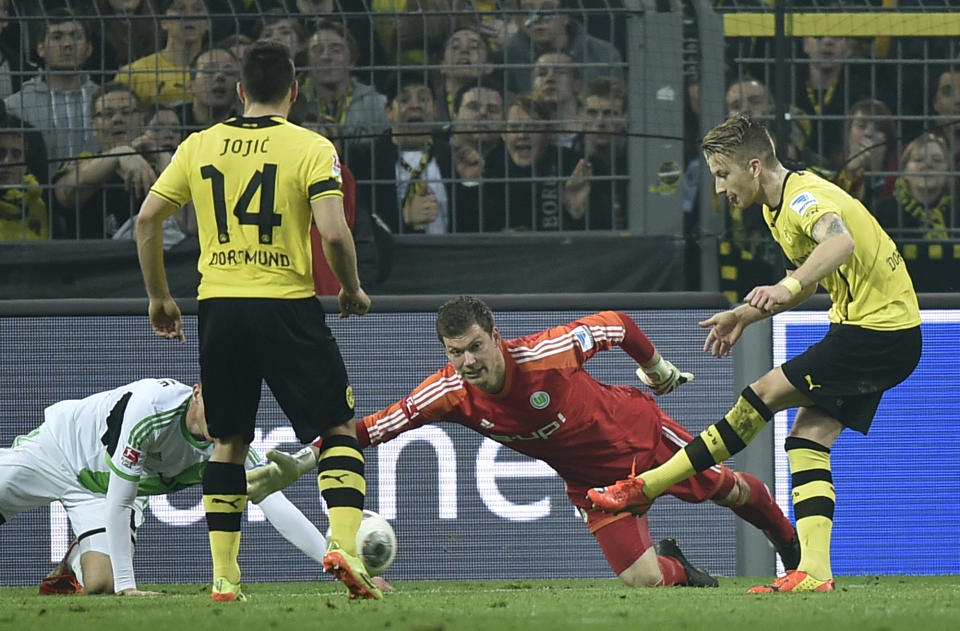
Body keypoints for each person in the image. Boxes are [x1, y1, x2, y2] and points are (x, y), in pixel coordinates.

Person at [248, 296, 801, 588]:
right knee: (644, 581)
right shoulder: (447, 393)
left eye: (476, 347)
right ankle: (686, 573)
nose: (468, 362)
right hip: (592, 486)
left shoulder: (548, 352)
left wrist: (655, 369)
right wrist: (298, 465)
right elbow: (368, 429)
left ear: (494, 336)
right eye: (455, 352)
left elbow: (616, 323)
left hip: (639, 437)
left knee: (726, 490)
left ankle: (791, 545)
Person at [589, 113, 922, 594]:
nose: (720, 188)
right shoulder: (775, 209)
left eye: (723, 174)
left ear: (754, 165)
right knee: (807, 442)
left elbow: (840, 242)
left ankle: (645, 488)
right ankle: (815, 574)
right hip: (880, 331)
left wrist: (785, 283)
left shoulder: (805, 199)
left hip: (877, 332)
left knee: (760, 396)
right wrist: (745, 314)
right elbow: (809, 280)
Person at [135, 39, 377, 601]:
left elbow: (148, 219)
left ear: (240, 91)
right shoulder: (312, 147)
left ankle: (224, 576)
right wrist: (350, 289)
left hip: (219, 308)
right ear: (296, 91)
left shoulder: (200, 145)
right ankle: (343, 545)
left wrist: (159, 298)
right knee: (337, 430)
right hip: (286, 304)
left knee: (227, 442)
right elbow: (335, 233)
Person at [0, 378, 332, 596]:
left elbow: (272, 500)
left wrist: (335, 564)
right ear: (197, 392)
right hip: (59, 451)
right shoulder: (152, 408)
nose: (221, 419)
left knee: (102, 582)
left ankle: (73, 563)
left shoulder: (230, 442)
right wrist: (130, 590)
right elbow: (120, 499)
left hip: (102, 491)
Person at [349, 70, 453, 234]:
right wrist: (403, 218)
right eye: (404, 100)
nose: (415, 106)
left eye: (424, 99)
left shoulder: (452, 157)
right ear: (388, 111)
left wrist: (471, 182)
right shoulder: (364, 159)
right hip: (391, 256)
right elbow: (358, 222)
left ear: (435, 109)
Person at [53, 83, 162, 239]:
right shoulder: (83, 161)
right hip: (98, 260)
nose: (117, 119)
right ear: (93, 126)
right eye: (107, 114)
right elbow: (64, 195)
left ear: (142, 120)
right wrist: (121, 152)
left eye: (126, 112)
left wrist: (162, 156)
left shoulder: (159, 164)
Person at [3, 8, 99, 172]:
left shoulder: (104, 100)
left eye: (75, 36)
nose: (67, 44)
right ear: (40, 48)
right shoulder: (15, 105)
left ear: (89, 48)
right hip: (37, 194)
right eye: (57, 37)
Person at [295, 20, 389, 156]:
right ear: (307, 62)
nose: (326, 56)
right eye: (318, 50)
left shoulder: (379, 105)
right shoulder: (296, 106)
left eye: (336, 50)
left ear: (351, 61)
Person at [501, 0, 623, 95]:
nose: (537, 19)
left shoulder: (603, 54)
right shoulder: (507, 58)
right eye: (528, 11)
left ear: (566, 15)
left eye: (547, 10)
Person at [116, 0, 210, 107]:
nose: (189, 15)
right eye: (180, 8)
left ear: (208, 24)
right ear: (164, 22)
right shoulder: (133, 74)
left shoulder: (219, 73)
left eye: (198, 9)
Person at [874, 132, 952, 240]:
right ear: (904, 170)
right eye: (919, 160)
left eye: (937, 160)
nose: (928, 165)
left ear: (948, 172)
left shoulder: (956, 211)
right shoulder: (882, 212)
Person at [0, 114, 48, 240]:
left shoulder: (37, 204)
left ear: (26, 166)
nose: (7, 162)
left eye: (16, 155)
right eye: (0, 153)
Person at [179, 47, 241, 130]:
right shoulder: (174, 124)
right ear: (190, 86)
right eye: (210, 70)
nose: (220, 76)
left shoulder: (246, 127)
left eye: (229, 72)